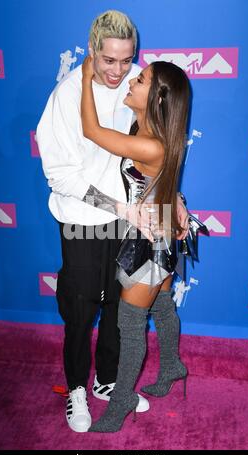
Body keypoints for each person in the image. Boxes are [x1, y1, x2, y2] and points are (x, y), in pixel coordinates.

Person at [37, 10, 189, 433]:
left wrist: (173, 197)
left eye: (127, 61)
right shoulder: (69, 94)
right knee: (81, 307)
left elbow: (158, 147)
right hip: (83, 220)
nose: (119, 71)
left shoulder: (139, 81)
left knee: (118, 307)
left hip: (131, 221)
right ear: (91, 52)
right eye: (108, 61)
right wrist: (119, 207)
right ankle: (76, 389)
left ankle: (107, 382)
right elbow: (60, 175)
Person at [80, 56, 194, 433]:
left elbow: (93, 131)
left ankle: (121, 400)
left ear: (157, 99)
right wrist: (178, 204)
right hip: (156, 232)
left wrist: (85, 78)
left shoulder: (150, 144)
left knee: (129, 326)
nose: (131, 80)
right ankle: (173, 365)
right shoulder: (149, 133)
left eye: (140, 79)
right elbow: (160, 186)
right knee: (161, 307)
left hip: (148, 243)